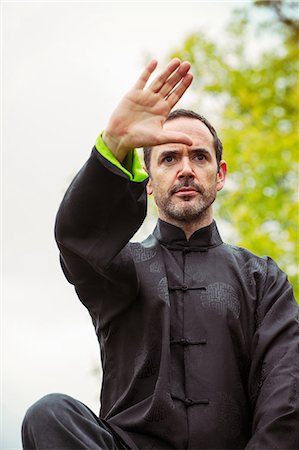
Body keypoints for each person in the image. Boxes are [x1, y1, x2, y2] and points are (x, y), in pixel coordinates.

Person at [22, 58, 299, 450]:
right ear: (149, 182)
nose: (185, 168)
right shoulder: (119, 268)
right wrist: (115, 140)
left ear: (219, 175)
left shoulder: (263, 279)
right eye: (169, 158)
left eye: (199, 157)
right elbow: (77, 237)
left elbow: (285, 395)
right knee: (48, 415)